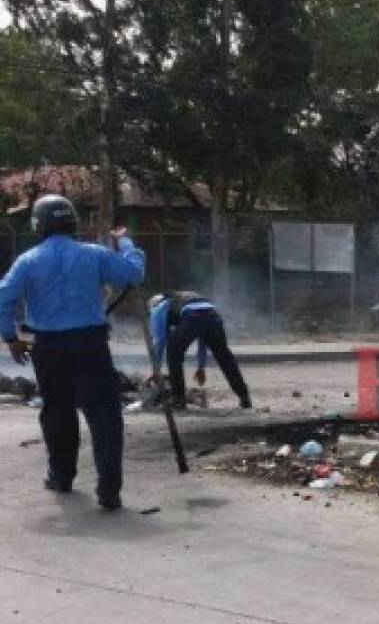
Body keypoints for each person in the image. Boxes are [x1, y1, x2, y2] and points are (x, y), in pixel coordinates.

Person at [0, 195, 145, 510]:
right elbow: (132, 275)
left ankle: (61, 477)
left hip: (48, 348)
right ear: (72, 221)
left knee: (57, 412)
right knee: (104, 415)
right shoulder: (93, 255)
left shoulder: (27, 260)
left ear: (39, 224)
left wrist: (10, 337)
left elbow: (4, 300)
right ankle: (109, 491)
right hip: (89, 345)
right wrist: (127, 244)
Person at [149, 291, 251, 410]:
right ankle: (244, 398)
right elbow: (204, 337)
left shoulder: (159, 308)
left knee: (173, 352)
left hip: (192, 317)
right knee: (224, 356)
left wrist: (156, 369)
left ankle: (178, 399)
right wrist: (200, 367)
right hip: (213, 316)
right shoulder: (182, 299)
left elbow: (160, 340)